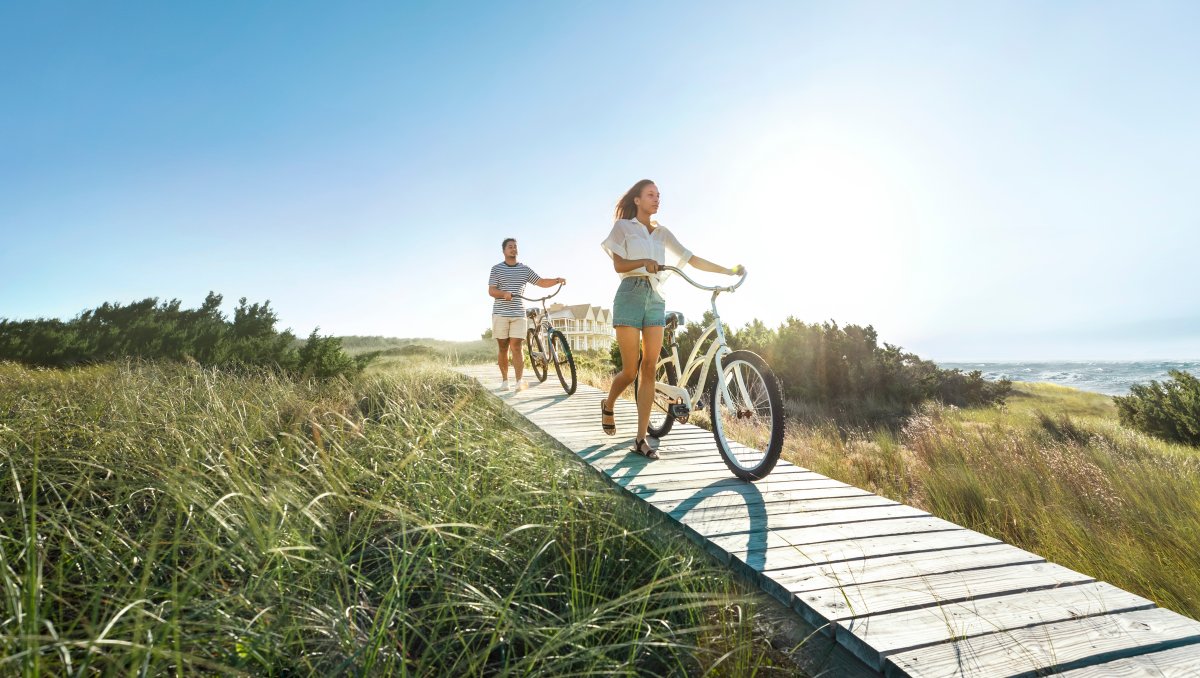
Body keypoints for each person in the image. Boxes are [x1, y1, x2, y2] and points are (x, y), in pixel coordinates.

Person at [599, 180, 742, 459]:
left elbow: (691, 259)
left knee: (650, 367)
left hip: (655, 298)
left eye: (658, 195)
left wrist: (727, 271)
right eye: (650, 195)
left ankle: (640, 439)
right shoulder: (623, 228)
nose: (656, 199)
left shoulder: (663, 233)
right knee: (630, 371)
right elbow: (618, 264)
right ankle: (609, 403)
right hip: (629, 294)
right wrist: (643, 263)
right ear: (637, 200)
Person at [488, 237, 566, 391]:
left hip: (518, 313)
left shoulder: (524, 269)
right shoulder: (496, 269)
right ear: (504, 250)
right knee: (503, 348)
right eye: (510, 246)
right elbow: (491, 290)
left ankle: (518, 381)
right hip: (500, 313)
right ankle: (505, 381)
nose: (513, 249)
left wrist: (557, 280)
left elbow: (541, 282)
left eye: (515, 246)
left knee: (516, 347)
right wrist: (504, 294)